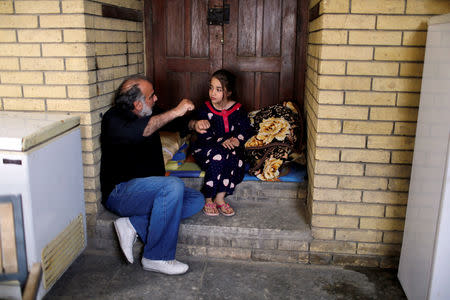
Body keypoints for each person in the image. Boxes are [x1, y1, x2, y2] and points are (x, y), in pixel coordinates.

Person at [100, 75, 207, 275]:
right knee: (172, 186)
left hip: (149, 191)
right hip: (120, 193)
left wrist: (193, 125)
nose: (156, 99)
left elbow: (171, 122)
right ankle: (156, 257)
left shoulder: (147, 112)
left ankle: (133, 224)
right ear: (137, 105)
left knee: (195, 199)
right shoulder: (113, 119)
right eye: (152, 96)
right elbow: (143, 130)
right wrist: (175, 111)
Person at [191, 69, 253, 217]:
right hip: (207, 148)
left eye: (219, 89)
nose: (213, 92)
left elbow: (246, 129)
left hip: (230, 148)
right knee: (219, 155)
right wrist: (221, 141)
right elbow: (203, 136)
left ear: (229, 92)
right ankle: (208, 198)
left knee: (234, 158)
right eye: (211, 87)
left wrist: (237, 139)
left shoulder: (238, 109)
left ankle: (219, 198)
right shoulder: (205, 109)